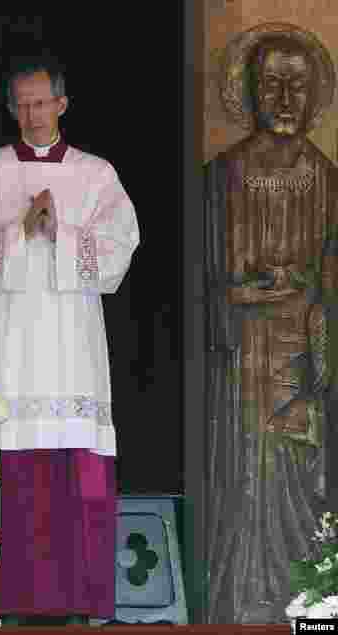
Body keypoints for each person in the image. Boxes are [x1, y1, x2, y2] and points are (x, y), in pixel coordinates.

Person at [0, 56, 140, 625]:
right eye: (23, 105)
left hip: (70, 342)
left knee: (71, 464)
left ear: (62, 104)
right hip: (5, 337)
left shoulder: (96, 174)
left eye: (42, 103)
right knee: (0, 459)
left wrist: (59, 231)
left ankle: (80, 599)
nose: (33, 115)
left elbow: (120, 248)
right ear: (12, 109)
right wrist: (16, 232)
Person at [205, 25, 338, 623]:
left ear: (315, 96)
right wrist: (238, 294)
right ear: (251, 92)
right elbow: (203, 276)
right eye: (272, 84)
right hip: (242, 358)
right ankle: (241, 600)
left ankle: (309, 602)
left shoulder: (327, 177)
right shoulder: (223, 175)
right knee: (244, 477)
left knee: (304, 478)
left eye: (298, 86)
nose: (285, 100)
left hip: (301, 353)